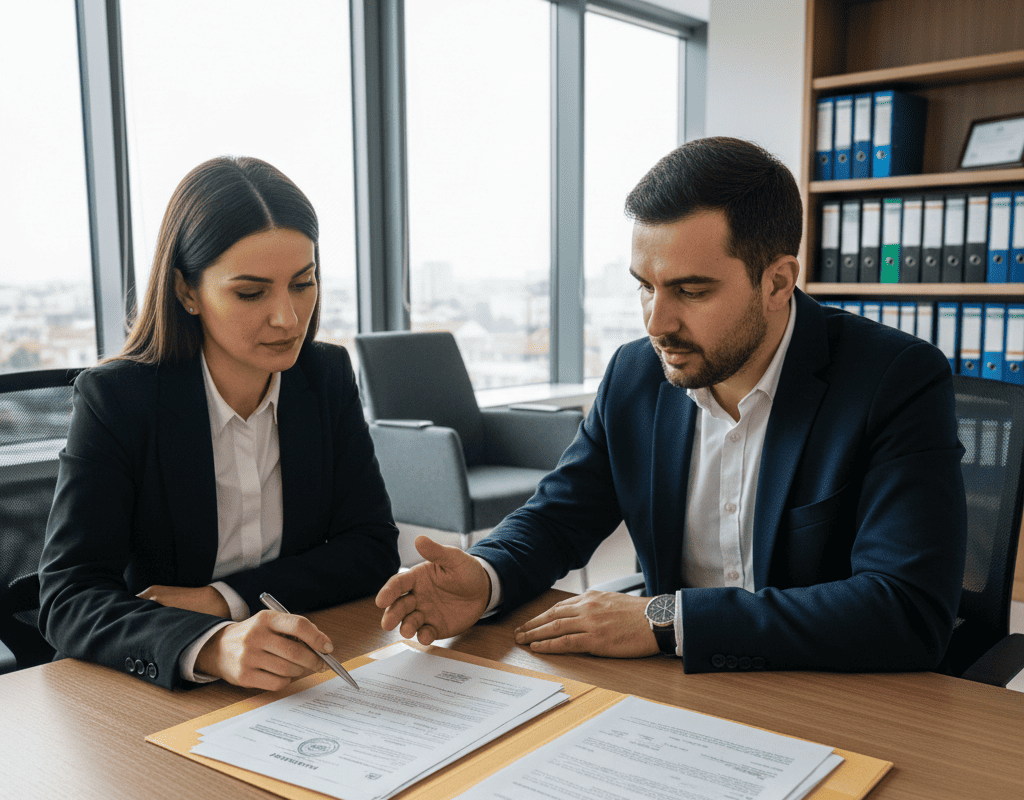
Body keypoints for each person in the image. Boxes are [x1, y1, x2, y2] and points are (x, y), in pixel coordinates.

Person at [376, 137, 967, 674]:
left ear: (778, 282)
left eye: (690, 290)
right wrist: (484, 576)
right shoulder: (637, 373)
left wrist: (666, 618)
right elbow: (562, 515)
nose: (657, 323)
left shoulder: (893, 380)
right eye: (644, 286)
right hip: (678, 692)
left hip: (828, 692)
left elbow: (905, 608)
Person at [39, 156, 400, 690]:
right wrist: (210, 645)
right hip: (155, 694)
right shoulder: (119, 399)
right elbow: (69, 597)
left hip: (297, 672)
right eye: (251, 292)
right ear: (187, 292)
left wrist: (224, 601)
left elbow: (370, 548)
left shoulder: (325, 377)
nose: (288, 317)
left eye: (303, 283)